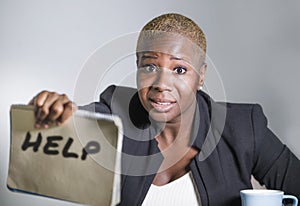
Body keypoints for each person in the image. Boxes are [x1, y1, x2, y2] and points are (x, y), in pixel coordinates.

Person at [29, 13, 300, 206]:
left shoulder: (242, 127)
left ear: (201, 76)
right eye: (149, 67)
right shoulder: (115, 116)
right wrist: (55, 115)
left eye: (179, 70)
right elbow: (67, 131)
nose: (161, 84)